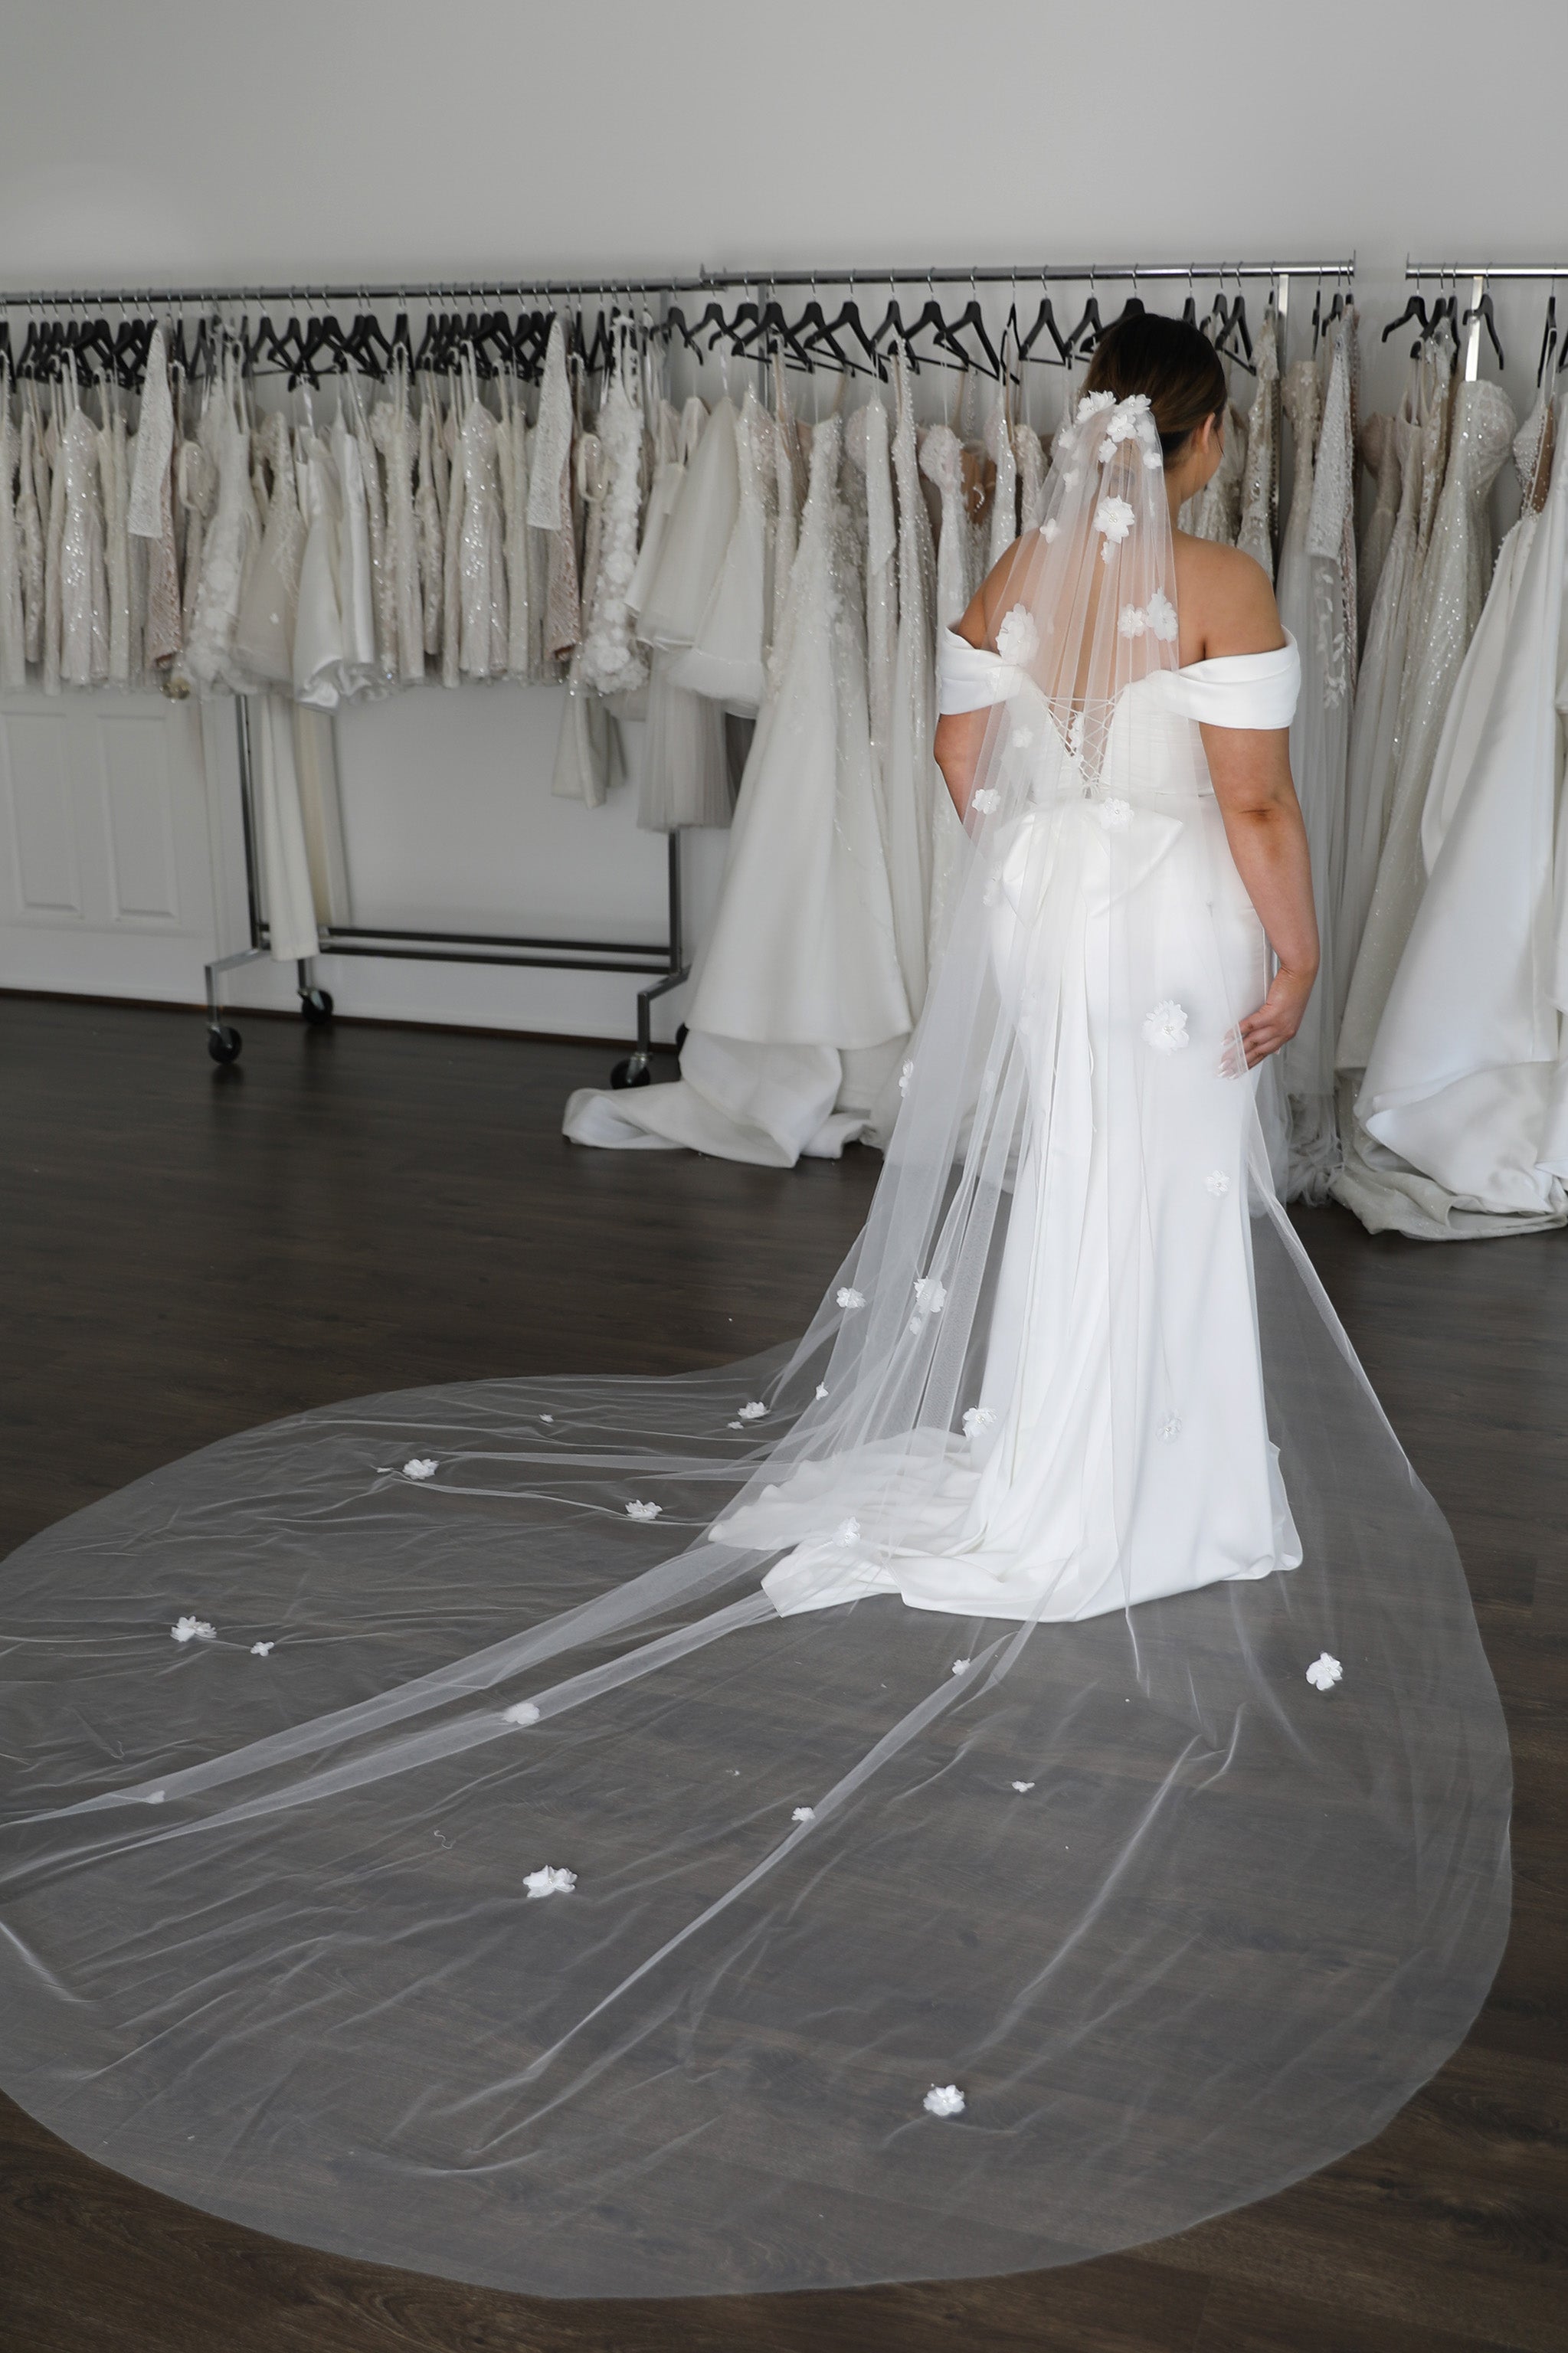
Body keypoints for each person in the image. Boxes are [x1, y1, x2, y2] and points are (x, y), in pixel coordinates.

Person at [0, 314, 1511, 2304]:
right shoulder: (1214, 577)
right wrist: (1293, 956)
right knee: (1153, 1190)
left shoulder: (1007, 573)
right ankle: (1144, 1464)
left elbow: (969, 761)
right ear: (1209, 441)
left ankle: (1067, 1442)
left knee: (1075, 1187)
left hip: (1050, 907)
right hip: (1159, 906)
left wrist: (1042, 859)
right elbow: (1255, 809)